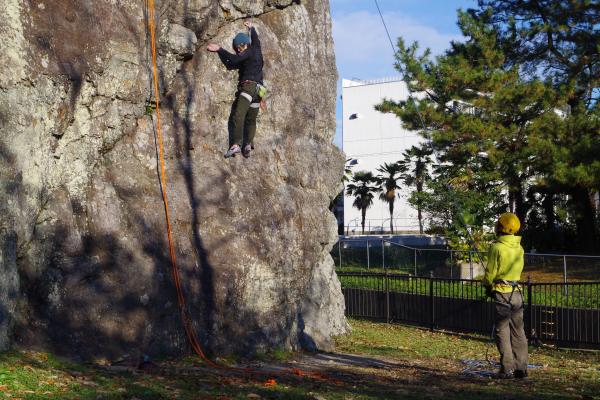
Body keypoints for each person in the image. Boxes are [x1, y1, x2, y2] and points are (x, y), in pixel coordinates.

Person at [207, 20, 265, 158]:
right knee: (251, 120)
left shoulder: (247, 52)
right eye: (237, 48)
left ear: (245, 44)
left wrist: (220, 49)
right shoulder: (256, 48)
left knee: (239, 115)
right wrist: (251, 28)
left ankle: (236, 145)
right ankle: (248, 144)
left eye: (240, 47)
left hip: (249, 87)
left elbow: (232, 60)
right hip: (259, 91)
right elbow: (256, 39)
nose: (239, 50)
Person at [483, 212, 528, 379]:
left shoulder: (496, 247)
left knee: (502, 330)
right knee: (518, 331)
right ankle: (521, 369)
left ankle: (507, 369)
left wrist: (487, 286)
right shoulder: (519, 248)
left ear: (501, 227)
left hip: (502, 293)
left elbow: (490, 272)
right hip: (517, 293)